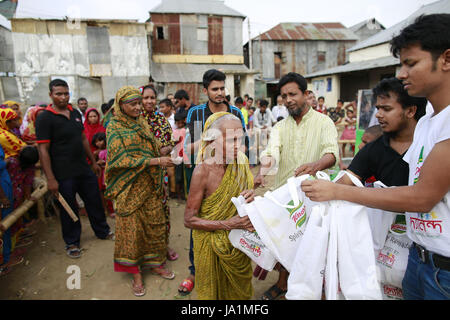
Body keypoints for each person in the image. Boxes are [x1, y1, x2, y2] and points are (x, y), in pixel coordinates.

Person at [301, 14, 450, 300]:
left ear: (445, 59)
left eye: (411, 63)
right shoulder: (429, 120)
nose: (402, 73)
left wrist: (337, 191)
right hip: (419, 261)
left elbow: (422, 197)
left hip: (444, 271)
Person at [254, 72, 339, 300]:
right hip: (286, 198)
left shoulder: (324, 122)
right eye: (283, 96)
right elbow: (271, 152)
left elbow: (331, 154)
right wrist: (262, 172)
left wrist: (315, 165)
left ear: (306, 94)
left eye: (293, 94)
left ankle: (313, 289)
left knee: (313, 248)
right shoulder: (280, 128)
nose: (288, 99)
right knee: (285, 244)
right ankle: (282, 283)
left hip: (315, 197)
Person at [178, 69, 247, 297]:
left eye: (222, 88)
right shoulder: (195, 113)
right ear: (205, 90)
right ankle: (194, 271)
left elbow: (241, 146)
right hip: (207, 170)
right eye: (214, 89)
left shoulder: (236, 112)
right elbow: (192, 147)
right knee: (201, 217)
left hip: (231, 167)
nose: (219, 93)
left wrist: (235, 154)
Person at [105, 86, 176, 297]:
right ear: (121, 105)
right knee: (133, 231)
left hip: (151, 184)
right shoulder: (114, 127)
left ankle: (155, 263)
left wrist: (164, 151)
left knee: (155, 224)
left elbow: (154, 146)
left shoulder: (142, 122)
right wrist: (156, 160)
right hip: (130, 187)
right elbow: (120, 160)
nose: (138, 107)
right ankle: (136, 273)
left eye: (139, 103)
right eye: (133, 104)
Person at [35, 79, 113, 259]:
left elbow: (83, 139)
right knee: (69, 208)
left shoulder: (74, 113)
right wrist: (51, 178)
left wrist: (93, 162)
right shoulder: (44, 118)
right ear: (50, 95)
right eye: (58, 94)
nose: (63, 97)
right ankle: (72, 242)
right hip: (62, 173)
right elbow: (43, 150)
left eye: (66, 93)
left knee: (94, 200)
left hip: (83, 168)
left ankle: (102, 230)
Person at [184, 112, 256, 300]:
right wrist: (228, 224)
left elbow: (244, 194)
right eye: (231, 140)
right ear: (212, 141)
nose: (238, 147)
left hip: (238, 243)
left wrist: (250, 195)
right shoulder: (202, 172)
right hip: (210, 246)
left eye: (240, 140)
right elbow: (189, 220)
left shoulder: (242, 162)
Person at [141, 84, 178, 262]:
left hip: (159, 173)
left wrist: (166, 149)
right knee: (144, 213)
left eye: (152, 98)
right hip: (139, 175)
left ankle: (164, 244)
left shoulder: (160, 119)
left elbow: (171, 141)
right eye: (145, 98)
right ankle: (146, 250)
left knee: (162, 210)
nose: (149, 101)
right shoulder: (134, 120)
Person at [91, 132, 114, 218]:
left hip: (108, 173)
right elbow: (93, 164)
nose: (99, 143)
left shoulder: (110, 149)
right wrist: (97, 162)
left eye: (100, 140)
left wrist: (105, 163)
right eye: (96, 142)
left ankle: (112, 209)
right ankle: (106, 210)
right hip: (101, 174)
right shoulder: (96, 153)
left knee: (110, 191)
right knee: (102, 192)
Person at [173, 111, 189, 201]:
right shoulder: (176, 131)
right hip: (178, 156)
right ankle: (179, 195)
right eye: (177, 123)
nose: (179, 124)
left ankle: (183, 194)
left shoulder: (186, 130)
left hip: (184, 156)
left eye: (181, 123)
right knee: (178, 177)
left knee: (183, 177)